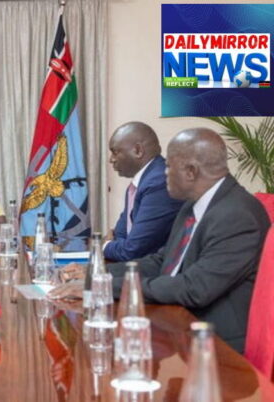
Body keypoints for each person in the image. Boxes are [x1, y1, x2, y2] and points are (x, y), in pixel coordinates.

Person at [50, 128, 270, 353]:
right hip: (177, 322)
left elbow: (194, 288)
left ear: (191, 172)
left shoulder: (237, 215)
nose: (163, 173)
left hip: (216, 346)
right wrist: (96, 277)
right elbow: (162, 261)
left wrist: (101, 288)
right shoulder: (193, 206)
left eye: (168, 166)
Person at [104, 122, 183, 261]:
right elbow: (121, 234)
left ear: (138, 150)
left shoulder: (159, 182)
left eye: (115, 152)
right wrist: (115, 244)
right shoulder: (141, 182)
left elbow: (131, 250)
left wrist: (104, 245)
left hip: (154, 274)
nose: (111, 160)